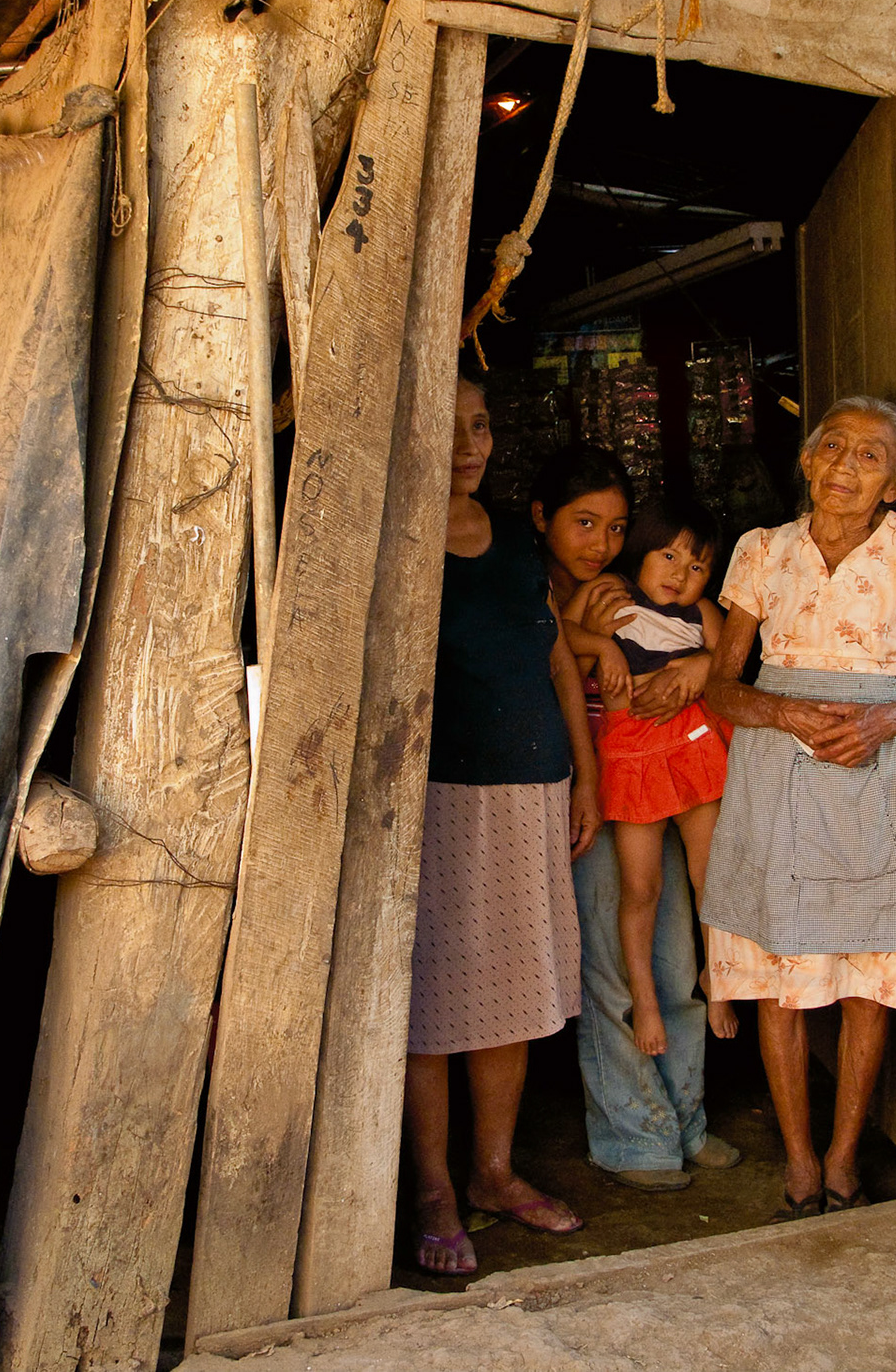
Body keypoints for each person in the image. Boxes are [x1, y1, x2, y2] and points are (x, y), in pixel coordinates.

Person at [700, 395, 896, 1220]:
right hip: (779, 765)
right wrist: (781, 711)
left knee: (865, 975)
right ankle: (801, 1166)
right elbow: (721, 683)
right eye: (834, 449)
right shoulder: (763, 551)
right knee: (783, 975)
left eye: (871, 455)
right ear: (808, 462)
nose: (846, 466)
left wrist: (886, 718)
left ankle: (846, 1162)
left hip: (871, 761)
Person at [405, 373, 600, 1276]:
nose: (468, 445)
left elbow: (559, 663)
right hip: (438, 794)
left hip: (530, 787)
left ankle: (493, 1172)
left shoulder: (520, 546)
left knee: (512, 988)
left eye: (479, 426)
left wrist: (583, 778)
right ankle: (435, 1187)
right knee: (433, 998)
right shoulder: (396, 539)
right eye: (447, 428)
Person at [531, 448, 741, 1193]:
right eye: (584, 523)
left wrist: (696, 671)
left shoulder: (642, 596)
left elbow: (720, 651)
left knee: (676, 958)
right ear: (541, 520)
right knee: (615, 970)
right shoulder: (566, 599)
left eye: (617, 527)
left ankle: (685, 1118)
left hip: (666, 780)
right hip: (601, 790)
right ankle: (634, 1134)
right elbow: (558, 664)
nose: (601, 543)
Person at [562, 499, 736, 1051]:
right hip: (630, 753)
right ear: (641, 549)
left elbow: (735, 657)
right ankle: (648, 1002)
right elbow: (556, 637)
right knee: (641, 889)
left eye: (697, 566)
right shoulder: (608, 590)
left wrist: (704, 665)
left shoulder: (703, 613)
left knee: (712, 874)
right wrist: (603, 646)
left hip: (690, 745)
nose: (680, 575)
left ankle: (720, 977)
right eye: (668, 556)